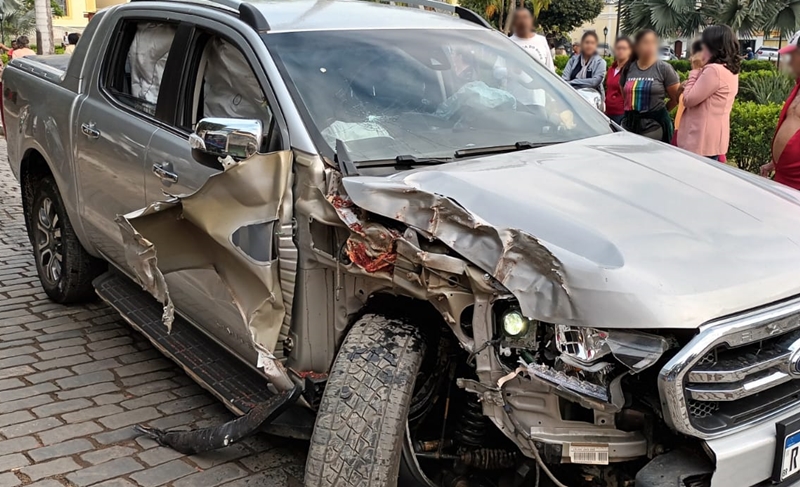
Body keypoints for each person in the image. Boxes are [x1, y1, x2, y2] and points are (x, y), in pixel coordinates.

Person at [676, 26, 740, 160]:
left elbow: (688, 99)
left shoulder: (713, 70)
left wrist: (694, 70)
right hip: (713, 140)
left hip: (699, 141)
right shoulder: (729, 69)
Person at [620, 29, 680, 142]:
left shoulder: (664, 68)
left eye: (653, 42)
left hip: (653, 126)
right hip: (629, 125)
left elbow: (675, 97)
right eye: (645, 42)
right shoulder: (628, 68)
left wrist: (659, 112)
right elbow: (625, 95)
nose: (650, 46)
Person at [761, 32, 800, 189]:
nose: (789, 62)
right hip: (783, 176)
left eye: (793, 56)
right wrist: (774, 162)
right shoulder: (798, 87)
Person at [672, 40, 702, 145]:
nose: (690, 58)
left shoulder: (707, 84)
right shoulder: (689, 81)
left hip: (693, 135)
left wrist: (696, 69)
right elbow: (679, 101)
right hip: (679, 129)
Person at [562, 31, 607, 97]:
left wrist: (572, 82)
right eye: (587, 42)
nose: (589, 45)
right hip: (571, 97)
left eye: (592, 43)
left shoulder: (600, 62)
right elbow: (564, 79)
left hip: (591, 101)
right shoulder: (573, 60)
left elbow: (594, 82)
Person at [605, 36, 633, 124]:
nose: (621, 51)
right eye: (618, 48)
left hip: (621, 113)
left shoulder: (631, 70)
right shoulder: (611, 69)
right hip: (608, 112)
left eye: (624, 48)